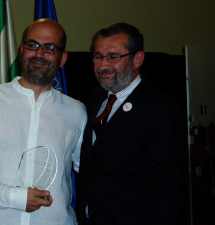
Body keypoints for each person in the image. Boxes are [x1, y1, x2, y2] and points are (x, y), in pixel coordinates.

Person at [0, 19, 87, 225]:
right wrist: (14, 197)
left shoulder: (77, 111)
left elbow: (90, 170)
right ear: (21, 49)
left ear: (62, 58)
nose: (39, 53)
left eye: (50, 48)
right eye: (32, 44)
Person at [76, 22, 184, 225]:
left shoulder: (160, 109)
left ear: (137, 59)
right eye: (98, 56)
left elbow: (167, 190)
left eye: (113, 56)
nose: (102, 65)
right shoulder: (95, 98)